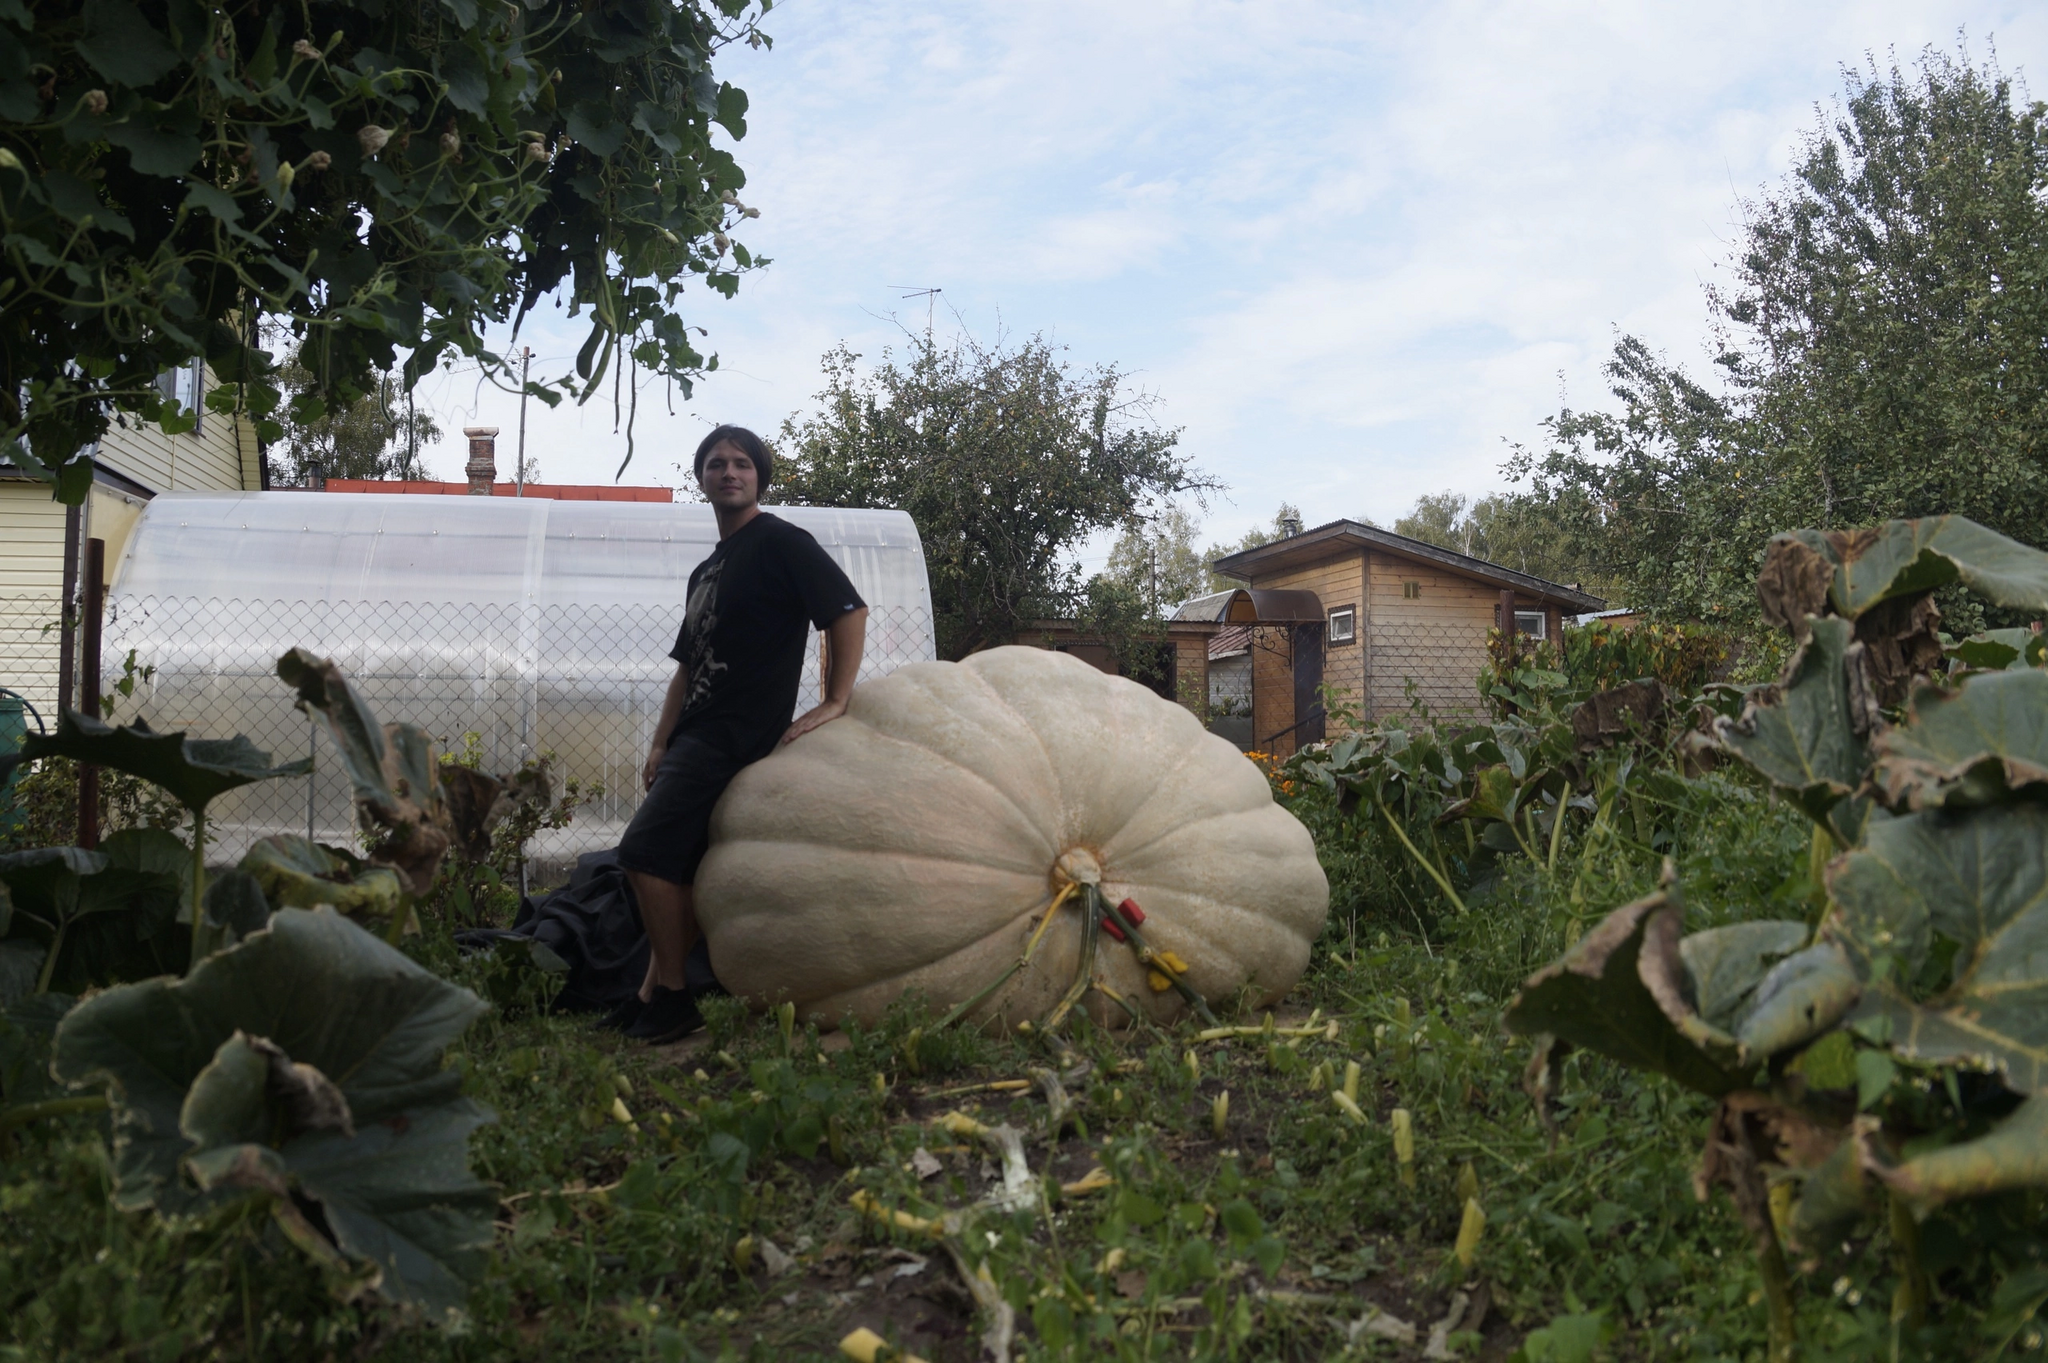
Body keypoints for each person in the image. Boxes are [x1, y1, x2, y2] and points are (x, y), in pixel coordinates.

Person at [607, 425, 868, 1043]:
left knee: (643, 853)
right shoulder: (706, 570)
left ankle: (674, 998)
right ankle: (650, 993)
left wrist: (836, 699)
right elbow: (688, 666)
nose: (729, 472)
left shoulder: (780, 541)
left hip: (737, 733)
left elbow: (846, 610)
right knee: (679, 865)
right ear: (701, 478)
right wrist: (660, 740)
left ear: (759, 478)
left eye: (742, 464)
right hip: (696, 733)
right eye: (716, 463)